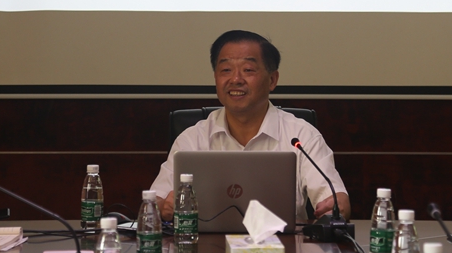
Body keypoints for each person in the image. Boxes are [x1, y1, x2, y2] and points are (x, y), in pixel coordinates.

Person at [150, 30, 351, 222]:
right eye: (226, 70)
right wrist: (164, 207)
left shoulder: (301, 136)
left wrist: (336, 206)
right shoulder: (192, 138)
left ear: (272, 80)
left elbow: (336, 201)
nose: (236, 79)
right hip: (201, 244)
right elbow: (154, 202)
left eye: (248, 70)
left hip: (283, 245)